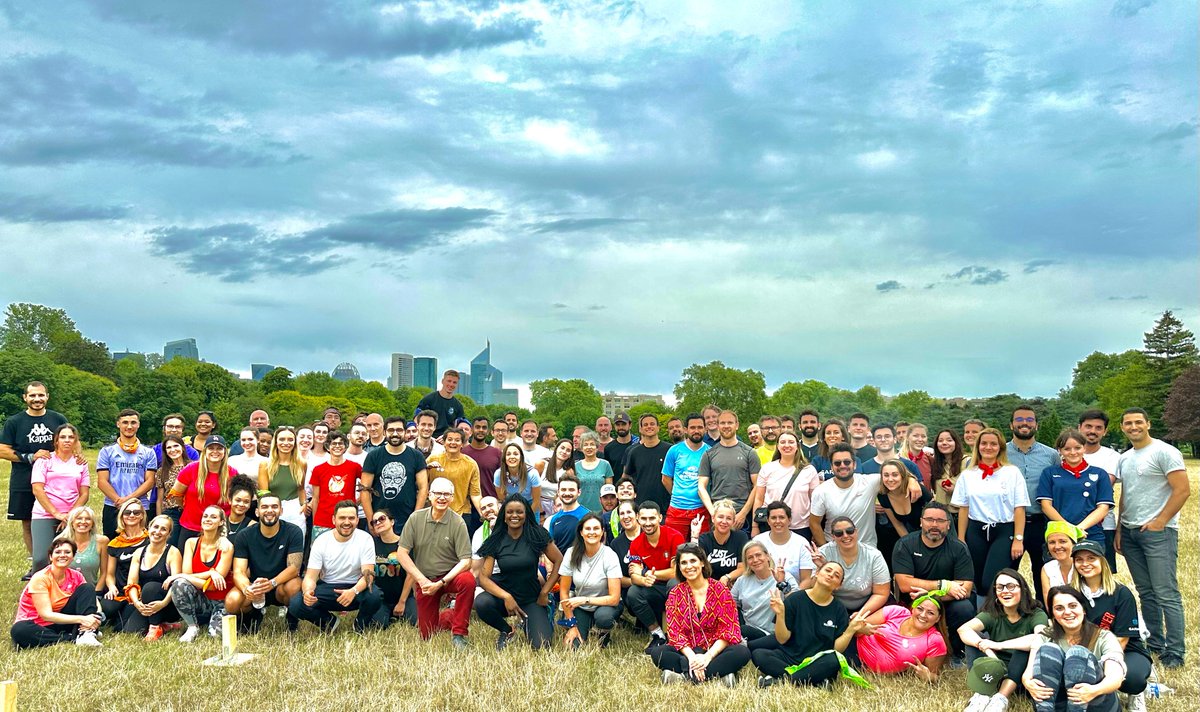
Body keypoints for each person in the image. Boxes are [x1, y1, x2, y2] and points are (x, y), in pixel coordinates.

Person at [1114, 407, 1188, 669]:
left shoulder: (1164, 451)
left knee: (1166, 592)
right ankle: (1155, 644)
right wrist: (1121, 527)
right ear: (1122, 427)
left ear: (1148, 423)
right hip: (1132, 532)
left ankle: (1175, 650)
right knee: (1146, 592)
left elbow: (1182, 490)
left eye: (1138, 422)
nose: (1133, 427)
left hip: (1158, 533)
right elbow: (1126, 495)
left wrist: (1160, 521)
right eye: (1128, 423)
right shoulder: (1125, 458)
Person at [649, 542, 750, 686]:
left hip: (715, 649)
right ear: (679, 567)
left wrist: (707, 657)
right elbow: (675, 633)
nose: (689, 566)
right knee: (658, 653)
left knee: (742, 652)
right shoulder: (676, 593)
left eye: (693, 561)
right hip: (688, 649)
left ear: (702, 562)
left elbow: (728, 629)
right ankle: (719, 676)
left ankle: (684, 675)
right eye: (683, 563)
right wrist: (692, 658)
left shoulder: (720, 590)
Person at [476, 494, 563, 650]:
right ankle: (507, 630)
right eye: (510, 512)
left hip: (532, 598)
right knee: (482, 602)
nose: (514, 515)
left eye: (519, 512)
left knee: (542, 646)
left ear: (526, 514)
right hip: (505, 597)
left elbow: (559, 561)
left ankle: (530, 620)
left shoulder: (537, 535)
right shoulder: (496, 539)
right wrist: (506, 596)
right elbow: (483, 577)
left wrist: (544, 592)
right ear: (504, 515)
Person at [751, 561, 859, 688]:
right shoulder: (795, 599)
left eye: (836, 575)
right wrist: (780, 614)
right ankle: (814, 680)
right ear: (817, 574)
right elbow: (782, 639)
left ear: (838, 586)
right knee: (759, 654)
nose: (831, 575)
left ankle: (781, 681)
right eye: (828, 570)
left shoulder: (839, 609)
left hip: (818, 661)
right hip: (790, 658)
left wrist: (851, 630)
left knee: (834, 660)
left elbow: (836, 649)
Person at [892, 502, 976, 662]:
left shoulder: (959, 548)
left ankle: (957, 653)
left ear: (949, 525)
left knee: (964, 608)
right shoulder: (905, 544)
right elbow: (904, 583)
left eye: (940, 521)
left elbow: (965, 586)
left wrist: (933, 596)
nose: (934, 525)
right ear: (921, 521)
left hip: (948, 601)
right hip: (915, 599)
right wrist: (944, 586)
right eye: (929, 519)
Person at [1071, 539, 1152, 704]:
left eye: (1091, 558)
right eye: (1079, 560)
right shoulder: (1071, 594)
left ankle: (1136, 693)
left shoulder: (1121, 593)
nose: (1085, 563)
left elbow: (1121, 640)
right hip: (1081, 650)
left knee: (1132, 679)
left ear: (1102, 561)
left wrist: (1098, 664)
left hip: (1125, 650)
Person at [396, 477, 475, 647]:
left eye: (447, 494)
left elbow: (466, 561)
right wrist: (422, 580)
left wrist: (441, 583)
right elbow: (402, 553)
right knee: (427, 635)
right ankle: (449, 616)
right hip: (425, 581)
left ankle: (459, 634)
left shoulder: (458, 522)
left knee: (468, 580)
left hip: (449, 578)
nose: (442, 498)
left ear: (452, 498)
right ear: (429, 496)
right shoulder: (415, 519)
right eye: (438, 493)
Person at [952, 428, 1029, 599]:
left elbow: (1020, 508)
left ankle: (1000, 615)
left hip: (1003, 530)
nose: (988, 447)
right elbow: (964, 508)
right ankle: (980, 620)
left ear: (1000, 447)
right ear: (977, 447)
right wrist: (961, 538)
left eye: (993, 444)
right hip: (976, 530)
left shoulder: (1012, 473)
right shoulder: (968, 475)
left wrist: (1018, 538)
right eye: (984, 443)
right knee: (976, 580)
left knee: (992, 581)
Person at [1, 381, 69, 576]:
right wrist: (29, 457)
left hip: (54, 480)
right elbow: (3, 450)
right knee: (28, 521)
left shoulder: (58, 419)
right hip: (23, 479)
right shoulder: (14, 422)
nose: (37, 399)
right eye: (32, 396)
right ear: (25, 398)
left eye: (40, 395)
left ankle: (60, 562)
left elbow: (71, 440)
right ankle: (37, 565)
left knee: (57, 518)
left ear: (47, 396)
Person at [1021, 586, 1126, 712]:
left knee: (1077, 654)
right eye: (1059, 608)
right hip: (1058, 703)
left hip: (1095, 702)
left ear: (1083, 609)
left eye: (1073, 606)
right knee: (1048, 650)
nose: (1067, 612)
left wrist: (1094, 691)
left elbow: (1116, 677)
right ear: (1053, 615)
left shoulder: (1103, 636)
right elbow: (1028, 674)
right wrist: (1029, 683)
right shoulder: (1045, 636)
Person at [958, 569, 1048, 712]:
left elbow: (1041, 637)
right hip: (995, 670)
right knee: (974, 639)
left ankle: (1001, 698)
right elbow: (963, 629)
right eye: (1000, 587)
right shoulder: (993, 612)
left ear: (1023, 589)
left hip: (1020, 674)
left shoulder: (1036, 613)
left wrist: (998, 645)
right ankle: (982, 693)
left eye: (1011, 586)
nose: (1005, 591)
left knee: (1025, 646)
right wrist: (986, 649)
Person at [288, 499, 380, 634]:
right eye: (342, 518)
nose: (347, 522)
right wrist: (308, 592)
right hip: (328, 588)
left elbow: (368, 576)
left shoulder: (365, 539)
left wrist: (353, 591)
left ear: (357, 520)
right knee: (296, 604)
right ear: (333, 520)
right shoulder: (321, 541)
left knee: (375, 596)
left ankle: (360, 625)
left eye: (351, 518)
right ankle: (328, 622)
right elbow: (310, 577)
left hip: (355, 587)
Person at [810, 443, 922, 548]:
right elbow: (814, 523)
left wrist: (911, 480)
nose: (842, 466)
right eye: (837, 463)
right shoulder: (821, 491)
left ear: (854, 464)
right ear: (831, 467)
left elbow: (895, 477)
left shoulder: (869, 482)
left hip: (868, 548)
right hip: (836, 548)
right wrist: (825, 549)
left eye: (847, 462)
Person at [225, 494, 304, 632]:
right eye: (264, 507)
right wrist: (247, 589)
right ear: (257, 512)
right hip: (255, 586)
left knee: (295, 585)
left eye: (274, 507)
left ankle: (292, 618)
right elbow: (238, 572)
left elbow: (294, 568)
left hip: (280, 585)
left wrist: (272, 583)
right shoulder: (244, 535)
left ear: (281, 510)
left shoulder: (293, 531)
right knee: (232, 601)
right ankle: (251, 618)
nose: (269, 510)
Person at [1006, 405, 1060, 603]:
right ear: (1011, 424)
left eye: (1029, 420)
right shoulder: (1001, 452)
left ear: (1037, 424)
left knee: (1043, 571)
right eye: (1019, 420)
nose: (1024, 423)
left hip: (1040, 522)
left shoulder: (1051, 455)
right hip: (1009, 523)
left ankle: (1045, 614)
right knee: (1008, 572)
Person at [11, 538, 102, 648]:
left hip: (61, 620)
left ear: (73, 556)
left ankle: (87, 633)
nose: (62, 555)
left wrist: (96, 617)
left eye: (67, 552)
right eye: (58, 552)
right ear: (50, 557)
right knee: (19, 630)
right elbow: (46, 615)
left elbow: (91, 599)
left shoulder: (76, 575)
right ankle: (70, 638)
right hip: (36, 624)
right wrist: (82, 619)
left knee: (87, 588)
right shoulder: (40, 578)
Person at [30, 423, 90, 572]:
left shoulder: (80, 463)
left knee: (69, 556)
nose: (67, 440)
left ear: (76, 441)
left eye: (71, 437)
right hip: (44, 513)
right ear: (56, 440)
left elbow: (84, 493)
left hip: (72, 515)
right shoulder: (44, 460)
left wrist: (70, 515)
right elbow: (37, 489)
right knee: (40, 558)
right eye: (63, 437)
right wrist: (56, 513)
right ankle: (39, 588)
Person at [558, 512, 623, 648]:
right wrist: (572, 625)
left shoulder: (609, 555)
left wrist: (584, 599)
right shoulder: (571, 553)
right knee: (573, 647)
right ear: (581, 532)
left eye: (596, 528)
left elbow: (614, 598)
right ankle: (583, 626)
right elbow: (564, 592)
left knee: (603, 618)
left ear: (602, 532)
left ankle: (603, 633)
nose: (592, 532)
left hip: (606, 606)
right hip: (581, 608)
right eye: (587, 529)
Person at [170, 505, 234, 642]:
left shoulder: (226, 546)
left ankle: (212, 621)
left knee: (215, 637)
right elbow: (187, 574)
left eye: (213, 517)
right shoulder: (191, 543)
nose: (208, 519)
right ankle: (192, 626)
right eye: (205, 516)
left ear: (221, 522)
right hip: (201, 600)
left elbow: (213, 586)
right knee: (179, 583)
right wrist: (211, 572)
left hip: (221, 601)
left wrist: (183, 575)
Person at [627, 501, 686, 650]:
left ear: (660, 518)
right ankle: (657, 634)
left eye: (652, 518)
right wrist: (643, 579)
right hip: (654, 587)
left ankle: (676, 633)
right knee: (633, 592)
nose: (648, 523)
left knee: (674, 583)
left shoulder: (675, 536)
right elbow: (634, 576)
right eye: (644, 519)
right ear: (638, 519)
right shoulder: (636, 544)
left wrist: (648, 573)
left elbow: (677, 571)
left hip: (675, 585)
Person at [852, 596, 948, 681]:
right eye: (920, 609)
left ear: (938, 618)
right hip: (853, 647)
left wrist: (928, 676)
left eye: (930, 613)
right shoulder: (896, 612)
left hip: (872, 673)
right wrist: (861, 628)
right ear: (913, 609)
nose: (923, 615)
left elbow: (934, 676)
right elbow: (855, 627)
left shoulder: (934, 640)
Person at [360, 416, 428, 536]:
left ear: (405, 432)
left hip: (407, 519)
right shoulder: (373, 456)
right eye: (391, 430)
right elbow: (364, 489)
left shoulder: (416, 456)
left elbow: (423, 488)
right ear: (385, 432)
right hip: (379, 520)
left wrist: (415, 518)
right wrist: (371, 521)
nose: (395, 434)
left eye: (399, 430)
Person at [96, 409, 158, 539]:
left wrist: (128, 500)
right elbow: (102, 481)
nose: (129, 426)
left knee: (140, 547)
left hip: (140, 506)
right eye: (125, 422)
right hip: (113, 505)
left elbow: (150, 481)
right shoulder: (107, 451)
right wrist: (118, 500)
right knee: (112, 547)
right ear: (118, 424)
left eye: (133, 422)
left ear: (138, 424)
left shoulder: (148, 452)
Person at [808, 515, 887, 615]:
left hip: (868, 606)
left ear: (856, 531)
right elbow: (813, 590)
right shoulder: (822, 554)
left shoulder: (873, 555)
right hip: (832, 606)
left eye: (850, 531)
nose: (845, 536)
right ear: (833, 536)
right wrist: (820, 568)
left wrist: (860, 614)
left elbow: (881, 593)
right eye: (839, 533)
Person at [698, 410, 760, 532]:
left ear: (737, 425)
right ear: (718, 425)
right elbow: (701, 486)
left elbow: (757, 485)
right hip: (719, 514)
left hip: (742, 516)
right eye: (722, 423)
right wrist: (713, 512)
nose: (726, 426)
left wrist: (743, 513)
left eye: (730, 423)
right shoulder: (708, 454)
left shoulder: (749, 453)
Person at [123, 514, 183, 639]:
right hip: (146, 602)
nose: (158, 532)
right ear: (148, 529)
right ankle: (164, 625)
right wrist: (137, 603)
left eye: (163, 529)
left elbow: (177, 585)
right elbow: (131, 583)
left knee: (150, 587)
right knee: (128, 630)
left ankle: (155, 628)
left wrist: (162, 603)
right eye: (155, 527)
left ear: (168, 534)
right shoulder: (139, 552)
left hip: (167, 603)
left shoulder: (173, 552)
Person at [1075, 410, 1121, 570]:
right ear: (1079, 427)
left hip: (1103, 526)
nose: (1092, 431)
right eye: (1088, 426)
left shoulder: (1112, 457)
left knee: (1100, 574)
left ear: (1105, 431)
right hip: (1069, 523)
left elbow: (1103, 488)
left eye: (1098, 427)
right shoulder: (1067, 454)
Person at [752, 432, 819, 539]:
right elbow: (758, 499)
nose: (787, 445)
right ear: (778, 446)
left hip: (801, 527)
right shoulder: (767, 469)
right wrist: (754, 526)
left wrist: (815, 529)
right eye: (783, 442)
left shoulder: (809, 470)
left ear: (797, 446)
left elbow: (815, 502)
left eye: (791, 442)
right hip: (770, 525)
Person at [170, 435, 234, 546]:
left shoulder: (232, 473)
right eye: (211, 448)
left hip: (217, 529)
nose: (215, 451)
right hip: (191, 526)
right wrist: (188, 507)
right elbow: (176, 494)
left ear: (225, 451)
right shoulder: (191, 469)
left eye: (219, 448)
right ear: (205, 451)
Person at [731, 540, 798, 641]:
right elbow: (729, 603)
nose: (755, 560)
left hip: (775, 634)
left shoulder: (784, 576)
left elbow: (797, 604)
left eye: (758, 555)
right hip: (748, 631)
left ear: (767, 556)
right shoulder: (742, 580)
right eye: (750, 558)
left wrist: (782, 583)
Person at [875, 458, 931, 572]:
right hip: (911, 535)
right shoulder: (883, 496)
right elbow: (898, 525)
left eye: (895, 475)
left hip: (933, 531)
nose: (890, 479)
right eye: (886, 475)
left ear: (902, 476)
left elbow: (936, 516)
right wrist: (912, 547)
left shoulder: (916, 490)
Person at [100, 499, 149, 628]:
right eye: (127, 513)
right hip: (119, 591)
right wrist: (111, 587)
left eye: (136, 512)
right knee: (107, 608)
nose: (131, 515)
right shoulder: (115, 544)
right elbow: (109, 574)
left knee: (121, 627)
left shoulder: (150, 541)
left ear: (142, 516)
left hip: (140, 591)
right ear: (122, 517)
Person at [661, 413, 711, 538]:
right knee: (675, 548)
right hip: (677, 510)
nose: (696, 431)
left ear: (705, 429)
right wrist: (678, 495)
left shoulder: (710, 452)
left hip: (701, 509)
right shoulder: (674, 450)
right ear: (685, 429)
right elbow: (665, 478)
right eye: (692, 427)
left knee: (701, 549)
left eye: (700, 427)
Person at [308, 431, 363, 540]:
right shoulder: (318, 469)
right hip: (323, 521)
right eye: (334, 443)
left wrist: (357, 501)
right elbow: (315, 498)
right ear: (328, 446)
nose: (337, 446)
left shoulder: (354, 467)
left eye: (340, 443)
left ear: (346, 446)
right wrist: (315, 522)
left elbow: (367, 485)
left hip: (346, 521)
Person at [368, 508, 416, 627]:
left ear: (392, 522)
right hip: (381, 598)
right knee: (379, 625)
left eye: (382, 519)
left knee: (415, 623)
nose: (378, 523)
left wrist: (401, 602)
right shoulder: (371, 545)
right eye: (374, 522)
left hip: (404, 596)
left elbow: (411, 575)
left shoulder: (405, 544)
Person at [258, 427, 308, 539]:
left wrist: (304, 504)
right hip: (273, 509)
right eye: (282, 439)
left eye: (290, 440)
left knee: (296, 544)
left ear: (295, 442)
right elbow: (264, 494)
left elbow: (301, 488)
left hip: (295, 510)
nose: (286, 443)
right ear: (276, 442)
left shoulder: (302, 464)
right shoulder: (265, 465)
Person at [752, 502, 814, 587]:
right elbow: (749, 572)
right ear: (768, 521)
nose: (778, 521)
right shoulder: (758, 541)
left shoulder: (802, 543)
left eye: (781, 517)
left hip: (791, 595)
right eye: (773, 518)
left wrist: (792, 598)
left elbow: (806, 579)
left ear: (789, 520)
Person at [623, 413, 672, 511]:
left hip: (666, 506)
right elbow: (626, 477)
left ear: (658, 428)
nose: (649, 426)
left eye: (652, 424)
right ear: (640, 429)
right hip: (641, 505)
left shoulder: (670, 450)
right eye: (645, 425)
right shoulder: (634, 452)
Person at [697, 500, 748, 588]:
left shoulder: (741, 537)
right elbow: (699, 569)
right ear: (713, 518)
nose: (724, 521)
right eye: (720, 517)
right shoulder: (704, 539)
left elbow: (743, 568)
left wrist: (727, 577)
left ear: (733, 521)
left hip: (733, 585)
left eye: (728, 518)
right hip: (708, 586)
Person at [154, 435, 195, 544]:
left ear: (182, 447)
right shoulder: (162, 471)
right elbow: (160, 498)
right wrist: (159, 518)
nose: (173, 450)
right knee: (171, 544)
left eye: (176, 446)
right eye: (169, 448)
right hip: (171, 512)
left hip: (191, 511)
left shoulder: (195, 467)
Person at [63, 506, 108, 586]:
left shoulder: (102, 541)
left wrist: (96, 593)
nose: (83, 522)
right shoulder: (61, 541)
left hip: (91, 592)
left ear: (92, 523)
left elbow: (104, 572)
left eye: (88, 519)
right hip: (65, 592)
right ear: (72, 522)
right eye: (79, 518)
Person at [545, 475, 589, 554]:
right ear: (558, 492)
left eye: (571, 490)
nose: (567, 493)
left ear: (579, 492)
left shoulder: (587, 516)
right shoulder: (553, 519)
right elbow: (550, 549)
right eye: (563, 490)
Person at [1040, 522, 1082, 603]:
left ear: (1074, 543)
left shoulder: (1083, 565)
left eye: (1062, 541)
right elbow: (1049, 604)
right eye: (1052, 542)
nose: (1057, 546)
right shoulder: (1047, 568)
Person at [931, 429, 966, 526]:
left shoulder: (967, 462)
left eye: (949, 440)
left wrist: (955, 491)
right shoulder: (936, 464)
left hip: (962, 515)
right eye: (941, 440)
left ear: (956, 442)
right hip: (942, 516)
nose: (944, 443)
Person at [573, 430, 614, 513]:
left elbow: (609, 490)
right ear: (581, 448)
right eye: (585, 445)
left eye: (592, 444)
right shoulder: (576, 466)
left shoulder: (605, 464)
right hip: (580, 510)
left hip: (601, 510)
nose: (589, 447)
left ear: (597, 447)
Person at [462, 416, 502, 500]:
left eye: (484, 427)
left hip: (490, 503)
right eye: (477, 427)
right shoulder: (462, 453)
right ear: (472, 430)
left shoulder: (497, 453)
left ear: (488, 431)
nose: (481, 430)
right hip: (466, 505)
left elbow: (502, 481)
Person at [415, 370, 465, 438]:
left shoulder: (458, 406)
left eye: (454, 382)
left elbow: (460, 425)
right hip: (428, 437)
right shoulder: (429, 399)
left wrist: (447, 437)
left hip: (448, 439)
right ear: (442, 381)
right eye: (449, 381)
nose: (451, 384)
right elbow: (416, 417)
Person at [899, 423, 933, 488]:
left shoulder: (929, 459)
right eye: (915, 436)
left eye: (923, 436)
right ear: (908, 437)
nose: (920, 439)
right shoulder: (899, 460)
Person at [604, 412, 636, 477]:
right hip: (616, 485)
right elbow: (607, 473)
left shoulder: (637, 445)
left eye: (623, 424)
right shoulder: (609, 448)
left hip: (635, 486)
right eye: (618, 425)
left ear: (630, 425)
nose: (621, 427)